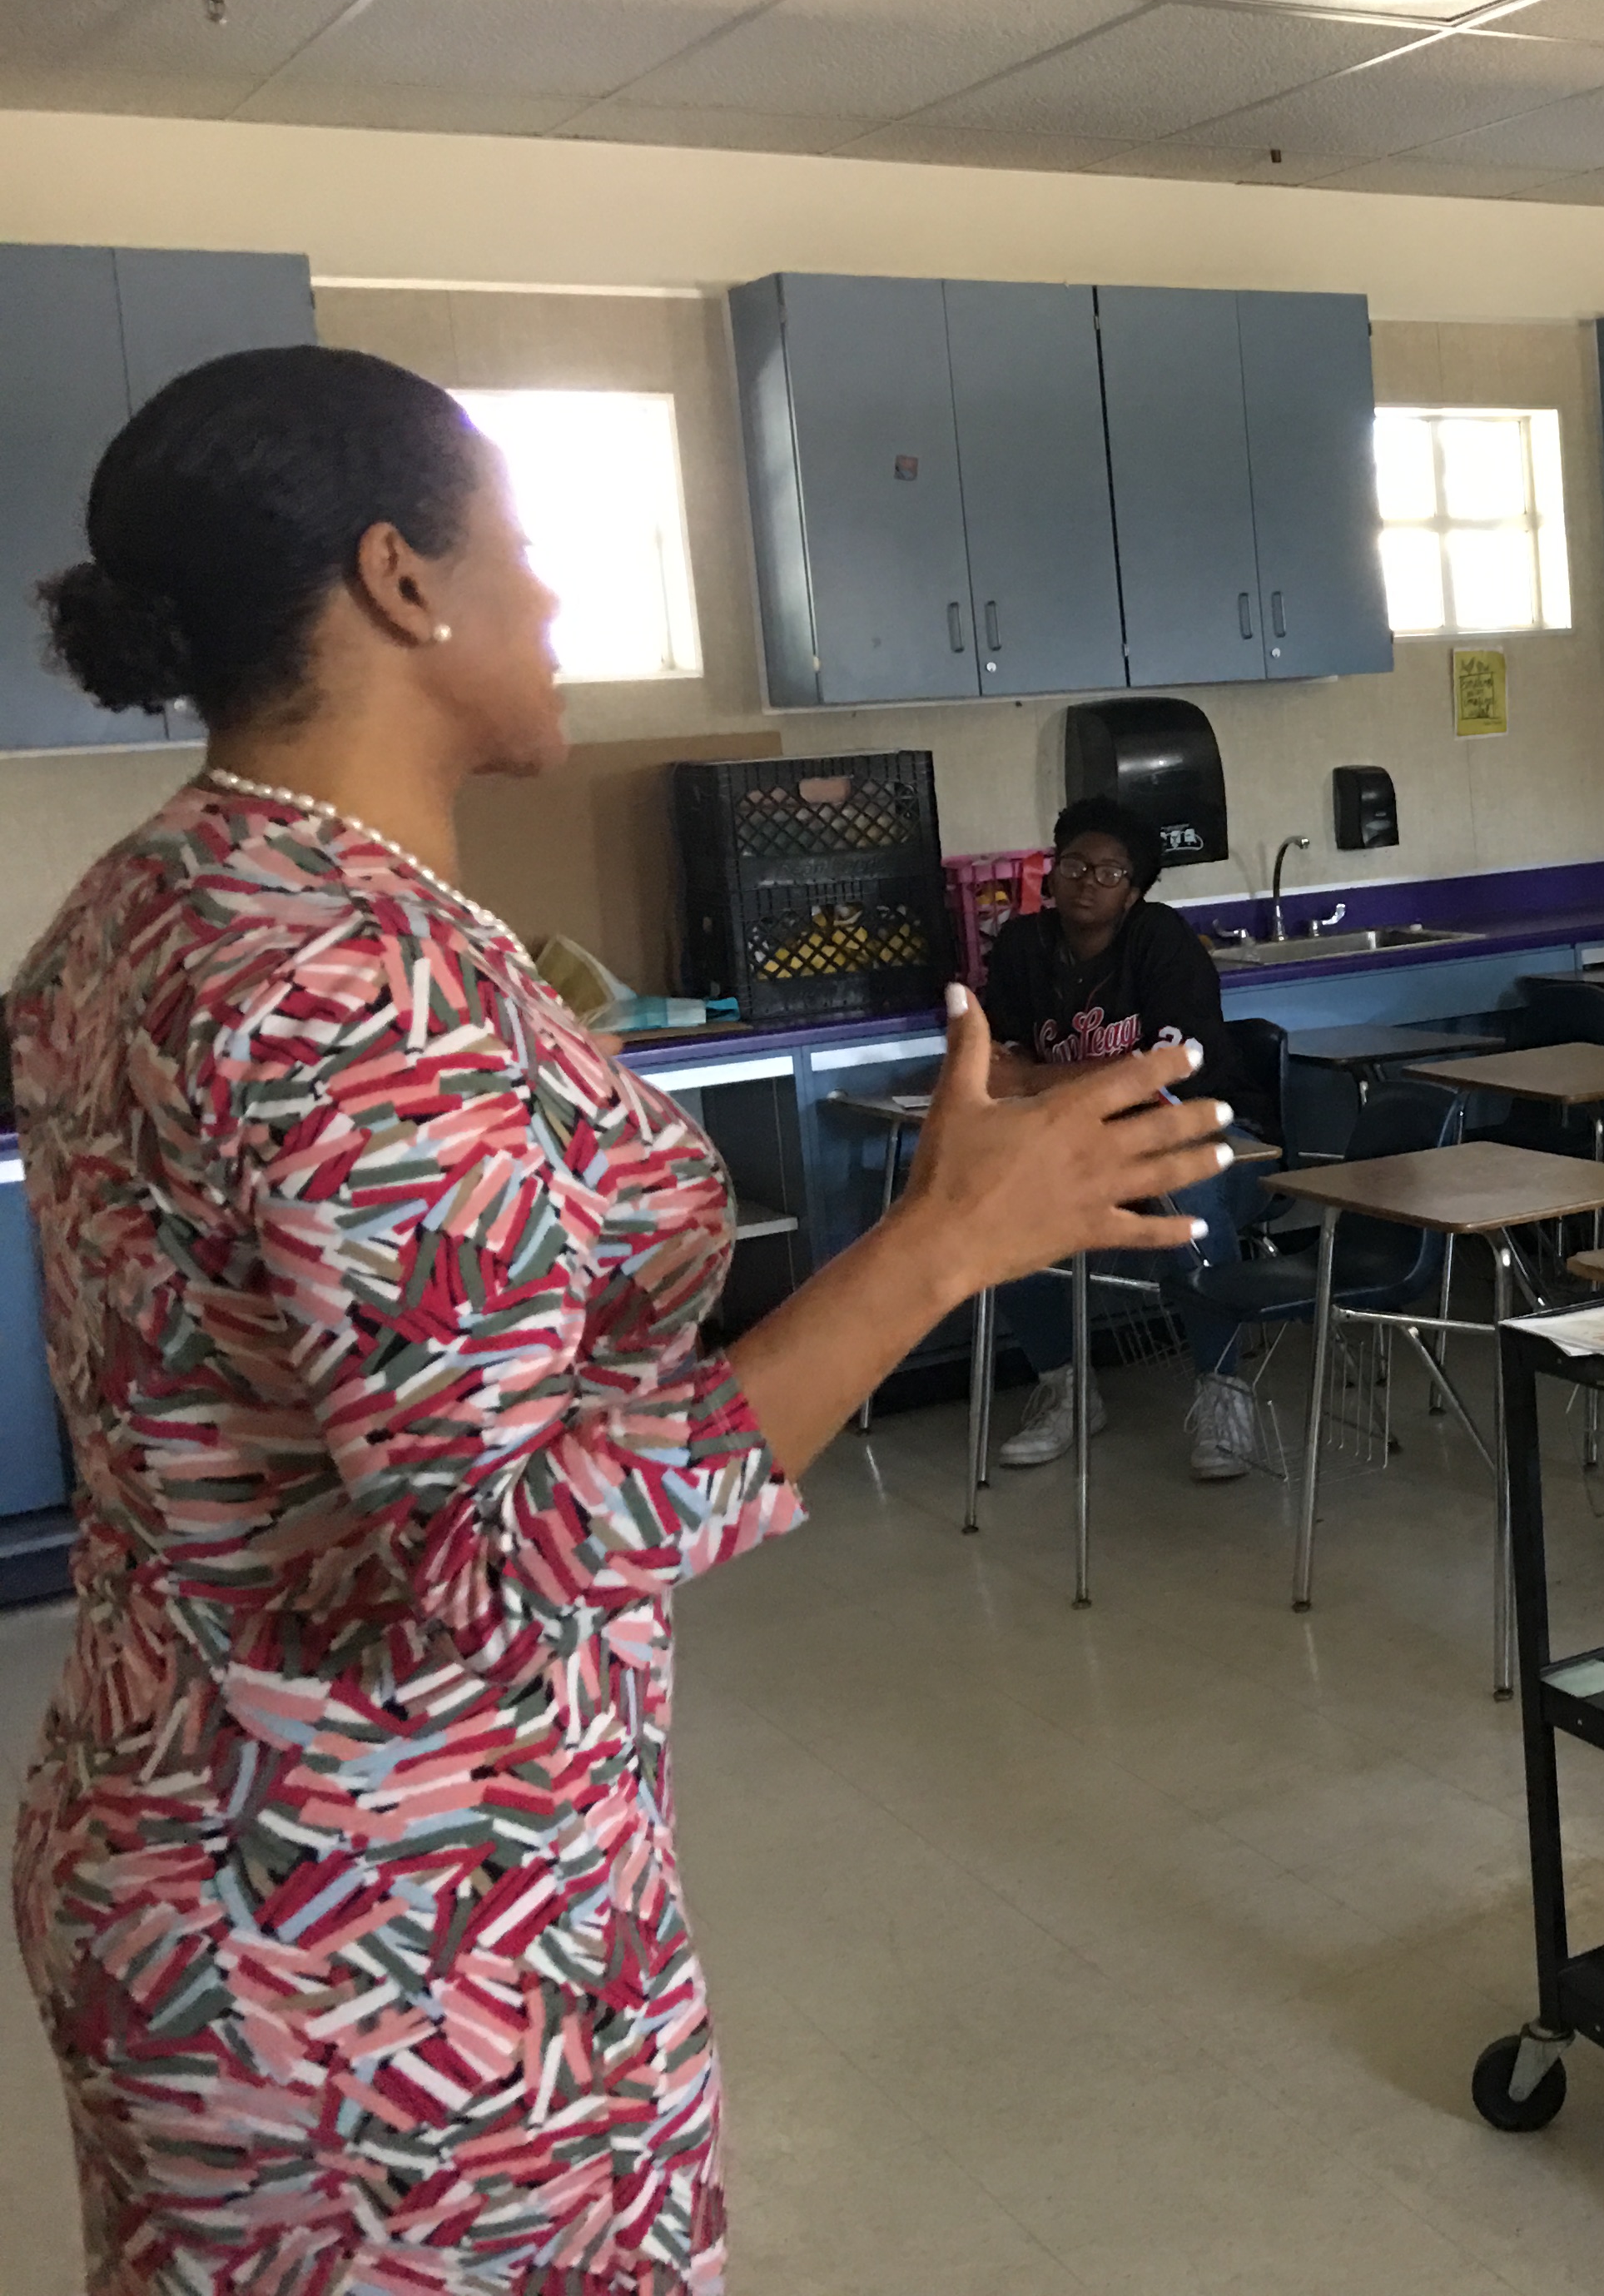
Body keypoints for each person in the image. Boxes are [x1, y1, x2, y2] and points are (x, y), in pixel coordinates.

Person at [4, 346, 1230, 2294]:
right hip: (394, 1955)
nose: (557, 597)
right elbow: (495, 1559)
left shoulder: (164, 896)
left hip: (246, 1852)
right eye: (525, 547)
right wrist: (932, 1251)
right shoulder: (346, 980)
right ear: (403, 579)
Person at [981, 795, 1268, 1482]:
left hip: (1209, 1132)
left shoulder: (1160, 939)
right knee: (992, 1200)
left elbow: (1165, 1069)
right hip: (1084, 1144)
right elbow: (995, 1060)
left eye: (1109, 873)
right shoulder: (1023, 945)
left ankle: (1223, 1391)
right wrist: (1032, 1078)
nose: (1087, 883)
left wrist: (1038, 1078)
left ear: (1134, 891)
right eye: (1074, 866)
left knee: (1185, 1188)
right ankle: (1067, 1392)